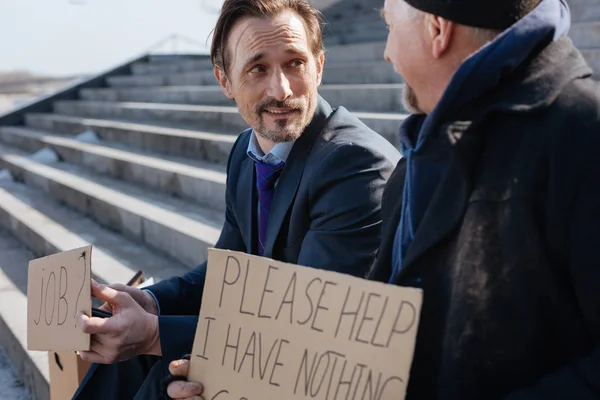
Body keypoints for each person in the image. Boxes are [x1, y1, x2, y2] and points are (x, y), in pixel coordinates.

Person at [166, 0, 600, 398]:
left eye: (390, 26)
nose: (388, 53)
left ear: (437, 29)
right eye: (257, 68)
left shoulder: (582, 134)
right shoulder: (426, 152)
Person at [73, 0, 400, 399]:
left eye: (295, 62)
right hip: (273, 351)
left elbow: (316, 330)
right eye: (257, 68)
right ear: (224, 80)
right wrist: (151, 301)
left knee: (164, 380)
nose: (281, 89)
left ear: (319, 66)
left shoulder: (355, 164)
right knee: (135, 364)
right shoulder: (247, 150)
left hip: (329, 371)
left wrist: (155, 334)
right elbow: (230, 269)